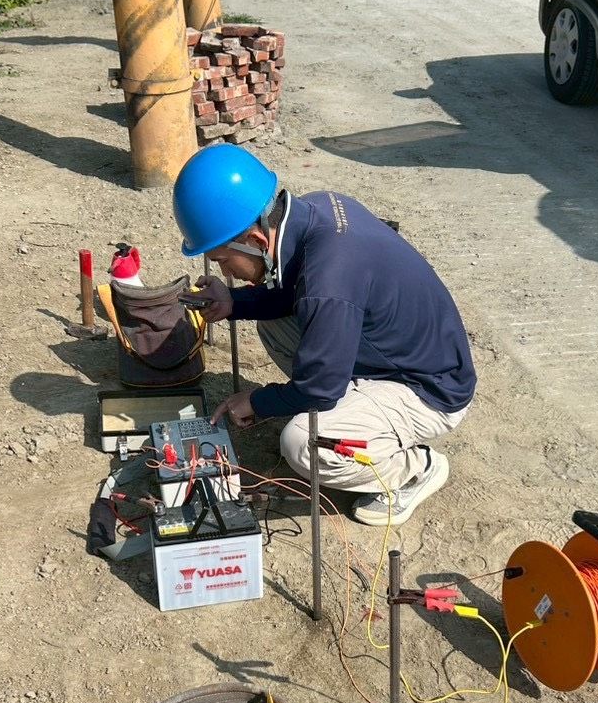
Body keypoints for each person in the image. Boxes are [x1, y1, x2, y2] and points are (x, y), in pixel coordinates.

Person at [172, 144, 476, 527]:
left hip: (431, 391)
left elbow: (318, 387)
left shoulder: (328, 281)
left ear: (256, 242)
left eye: (222, 261)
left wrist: (257, 401)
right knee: (275, 323)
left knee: (303, 443)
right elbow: (295, 291)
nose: (226, 273)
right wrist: (235, 302)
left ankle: (416, 469)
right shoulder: (315, 210)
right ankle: (356, 413)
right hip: (405, 350)